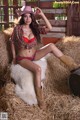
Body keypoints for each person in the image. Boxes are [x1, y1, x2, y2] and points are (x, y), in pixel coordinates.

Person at [10, 5, 79, 109]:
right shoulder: (17, 29)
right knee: (37, 69)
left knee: (51, 46)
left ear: (32, 17)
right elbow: (11, 42)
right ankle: (40, 100)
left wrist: (42, 14)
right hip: (23, 58)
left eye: (30, 16)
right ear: (22, 17)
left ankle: (73, 66)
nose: (28, 18)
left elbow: (50, 28)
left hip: (34, 54)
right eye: (25, 16)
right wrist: (14, 57)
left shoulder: (34, 28)